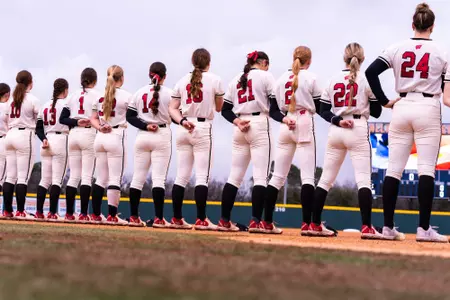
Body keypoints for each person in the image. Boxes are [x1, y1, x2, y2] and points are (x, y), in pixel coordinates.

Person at [366, 3, 450, 242]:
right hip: (428, 107)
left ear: (412, 25)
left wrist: (383, 101)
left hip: (401, 107)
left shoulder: (396, 47)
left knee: (393, 170)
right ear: (432, 27)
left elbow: (370, 72)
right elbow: (447, 99)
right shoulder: (443, 51)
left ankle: (387, 228)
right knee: (426, 170)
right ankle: (424, 229)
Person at [310, 43, 384, 239]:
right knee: (363, 180)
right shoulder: (366, 78)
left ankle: (314, 223)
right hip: (357, 127)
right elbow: (376, 112)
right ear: (362, 58)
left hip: (337, 128)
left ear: (345, 57)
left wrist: (337, 120)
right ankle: (367, 227)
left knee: (325, 179)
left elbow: (323, 110)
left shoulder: (333, 79)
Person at [219, 50, 295, 233]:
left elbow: (225, 110)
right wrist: (284, 119)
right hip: (259, 124)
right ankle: (256, 221)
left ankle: (224, 220)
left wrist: (237, 121)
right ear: (264, 63)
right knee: (261, 176)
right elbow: (275, 109)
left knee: (234, 176)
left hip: (239, 125)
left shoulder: (236, 79)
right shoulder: (266, 76)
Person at [264, 46, 321, 235]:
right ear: (309, 61)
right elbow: (321, 107)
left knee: (277, 177)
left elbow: (273, 110)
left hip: (285, 123)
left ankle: (266, 222)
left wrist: (284, 118)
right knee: (307, 177)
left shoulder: (280, 79)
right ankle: (306, 224)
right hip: (304, 121)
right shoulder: (311, 78)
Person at [169, 48, 224, 230]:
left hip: (184, 127)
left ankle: (177, 218)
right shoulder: (215, 80)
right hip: (202, 127)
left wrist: (182, 121)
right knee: (202, 176)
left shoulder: (181, 80)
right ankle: (201, 219)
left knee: (181, 176)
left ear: (193, 62)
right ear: (209, 62)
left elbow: (172, 108)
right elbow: (218, 108)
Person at [127, 62, 172, 228]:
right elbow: (176, 116)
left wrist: (145, 125)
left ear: (149, 74)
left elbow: (130, 116)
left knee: (137, 178)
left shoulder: (139, 92)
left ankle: (133, 217)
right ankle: (159, 218)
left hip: (143, 135)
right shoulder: (169, 93)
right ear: (164, 76)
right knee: (158, 179)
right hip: (161, 134)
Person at [91, 65, 130, 225]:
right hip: (115, 135)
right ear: (121, 78)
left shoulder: (98, 96)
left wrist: (100, 126)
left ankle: (95, 215)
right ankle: (112, 216)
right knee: (114, 178)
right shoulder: (127, 96)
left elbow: (93, 118)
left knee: (101, 178)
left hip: (100, 136)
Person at [60, 68, 100, 223]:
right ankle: (83, 213)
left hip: (74, 134)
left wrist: (76, 121)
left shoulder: (72, 96)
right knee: (86, 176)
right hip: (88, 133)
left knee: (73, 176)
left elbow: (62, 119)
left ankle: (69, 214)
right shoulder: (98, 95)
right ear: (95, 81)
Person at [2, 71, 39, 220]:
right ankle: (21, 211)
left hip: (10, 135)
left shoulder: (9, 99)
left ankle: (8, 211)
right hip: (25, 134)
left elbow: (5, 119)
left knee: (10, 177)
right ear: (30, 82)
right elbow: (39, 121)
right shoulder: (32, 99)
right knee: (22, 177)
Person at [35, 79, 70, 222]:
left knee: (44, 180)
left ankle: (38, 212)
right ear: (65, 90)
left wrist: (43, 138)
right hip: (61, 140)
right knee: (56, 180)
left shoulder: (45, 105)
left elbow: (38, 128)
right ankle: (52, 212)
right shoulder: (66, 105)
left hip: (46, 140)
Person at [0, 84, 11, 208]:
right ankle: (7, 209)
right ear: (7, 94)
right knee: (2, 177)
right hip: (3, 141)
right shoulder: (7, 107)